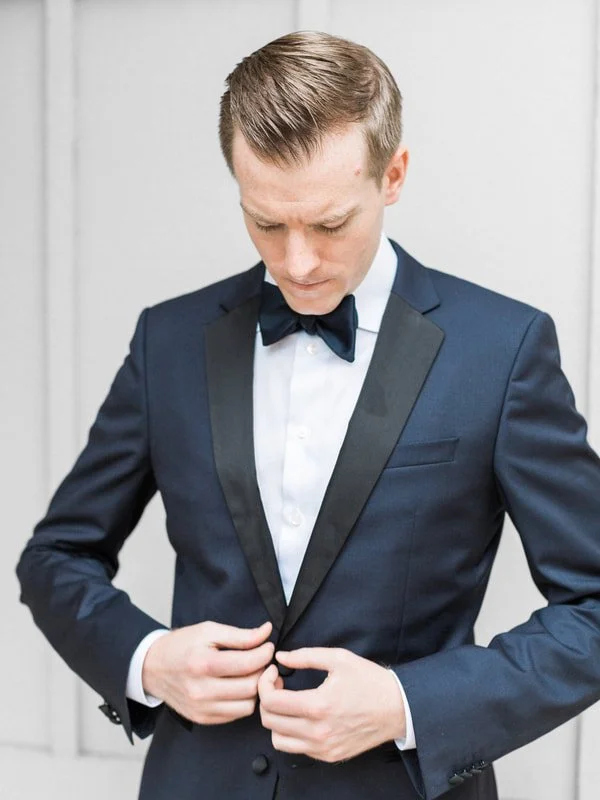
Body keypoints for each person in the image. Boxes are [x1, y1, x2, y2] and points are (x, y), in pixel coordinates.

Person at [16, 30, 600, 800]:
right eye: (264, 222)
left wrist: (405, 704)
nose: (295, 263)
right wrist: (147, 659)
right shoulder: (169, 340)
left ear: (393, 174)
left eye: (329, 225)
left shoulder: (504, 349)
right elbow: (55, 555)